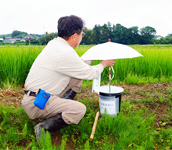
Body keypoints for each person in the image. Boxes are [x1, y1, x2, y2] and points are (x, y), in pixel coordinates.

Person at [21, 15, 115, 143]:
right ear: (75, 36)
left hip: (36, 96)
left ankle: (61, 105)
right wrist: (103, 64)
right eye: (82, 34)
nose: (82, 37)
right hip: (37, 103)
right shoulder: (65, 52)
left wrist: (92, 58)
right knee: (79, 110)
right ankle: (43, 127)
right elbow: (89, 73)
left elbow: (77, 66)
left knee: (77, 76)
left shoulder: (55, 44)